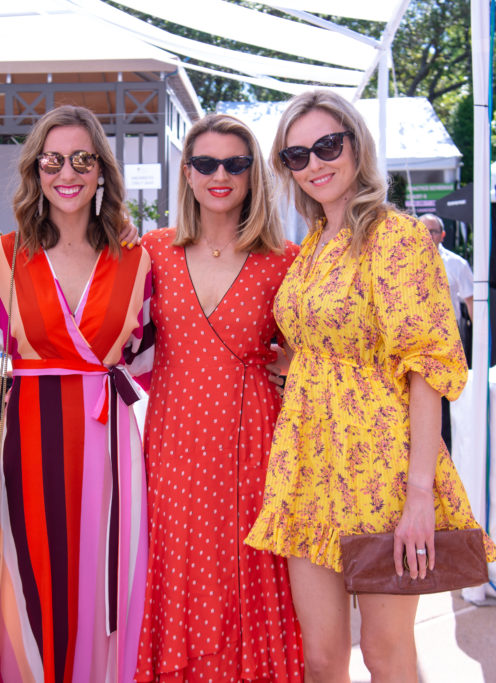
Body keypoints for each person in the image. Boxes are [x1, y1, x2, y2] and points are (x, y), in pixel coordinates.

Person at [245, 90, 496, 681]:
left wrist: (418, 498)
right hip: (309, 465)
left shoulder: (398, 237)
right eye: (297, 155)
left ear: (357, 145)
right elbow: (340, 346)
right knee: (322, 659)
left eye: (328, 145)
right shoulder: (311, 247)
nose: (315, 164)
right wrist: (294, 363)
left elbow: (426, 366)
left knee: (386, 654)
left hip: (381, 469)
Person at [0, 104, 153, 683]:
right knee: (33, 579)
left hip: (111, 443)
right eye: (53, 160)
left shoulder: (137, 259)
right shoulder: (3, 256)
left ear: (101, 171)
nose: (66, 173)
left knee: (108, 578)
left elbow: (151, 356)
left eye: (81, 159)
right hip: (30, 445)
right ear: (36, 170)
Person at [135, 113, 304, 681]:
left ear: (254, 173)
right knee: (180, 572)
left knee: (250, 575)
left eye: (235, 163)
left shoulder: (285, 259)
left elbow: (314, 353)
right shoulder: (150, 251)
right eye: (205, 163)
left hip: (254, 443)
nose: (220, 175)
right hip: (175, 446)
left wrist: (285, 364)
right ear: (186, 173)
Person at [421, 212, 473, 449]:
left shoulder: (457, 264)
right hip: (417, 341)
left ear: (442, 235)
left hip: (448, 339)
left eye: (432, 231)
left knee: (447, 397)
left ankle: (449, 449)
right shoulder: (401, 262)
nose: (427, 235)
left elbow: (470, 302)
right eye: (423, 229)